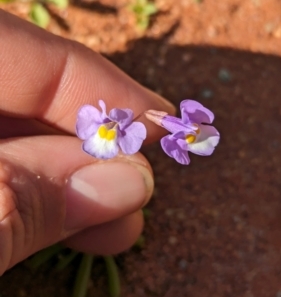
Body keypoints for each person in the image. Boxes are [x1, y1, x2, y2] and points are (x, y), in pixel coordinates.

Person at [0, 10, 175, 275]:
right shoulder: (108, 126)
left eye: (113, 125)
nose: (111, 126)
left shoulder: (126, 131)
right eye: (109, 124)